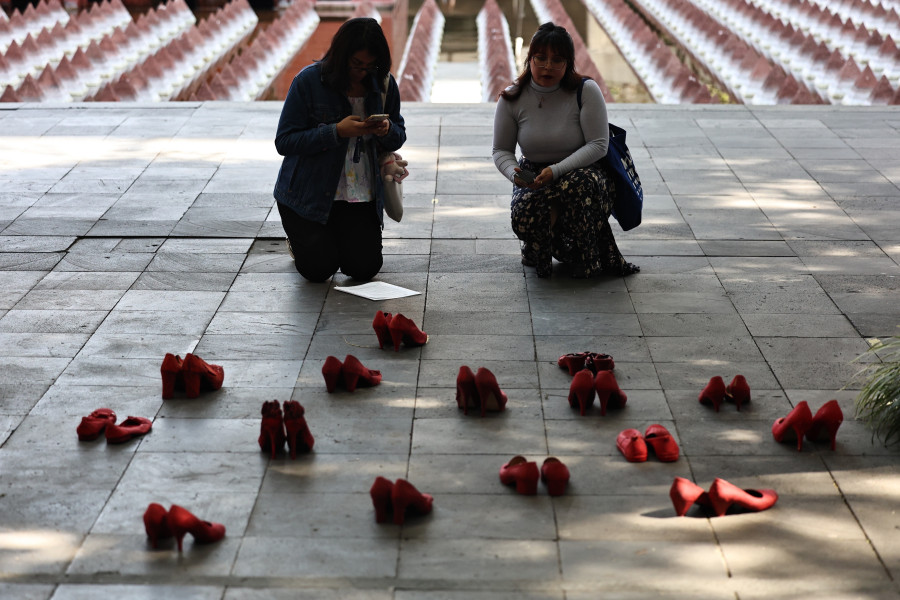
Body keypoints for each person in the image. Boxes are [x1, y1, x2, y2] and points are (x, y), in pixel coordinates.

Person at [492, 22, 639, 278]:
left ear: (568, 63)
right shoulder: (512, 97)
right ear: (530, 58)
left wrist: (557, 170)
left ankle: (582, 252)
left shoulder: (585, 91)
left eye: (557, 60)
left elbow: (598, 145)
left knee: (578, 186)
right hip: (535, 175)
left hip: (584, 172)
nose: (547, 66)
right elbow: (501, 150)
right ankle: (542, 240)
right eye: (540, 58)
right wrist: (514, 173)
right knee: (524, 217)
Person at [273, 18, 406, 282]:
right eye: (357, 65)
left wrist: (387, 129)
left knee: (364, 268)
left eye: (371, 66)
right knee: (318, 270)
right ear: (341, 56)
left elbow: (399, 134)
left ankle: (331, 238)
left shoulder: (384, 84)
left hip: (358, 193)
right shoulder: (308, 82)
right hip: (308, 195)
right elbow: (284, 141)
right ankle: (300, 240)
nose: (363, 73)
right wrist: (336, 131)